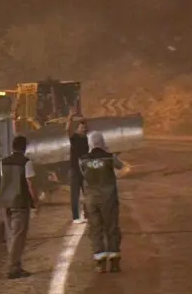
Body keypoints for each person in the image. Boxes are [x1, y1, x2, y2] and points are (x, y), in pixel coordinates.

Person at [80, 132, 127, 273]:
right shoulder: (110, 157)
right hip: (109, 198)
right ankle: (114, 262)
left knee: (95, 230)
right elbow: (123, 168)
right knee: (112, 228)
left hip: (91, 200)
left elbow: (82, 176)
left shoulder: (82, 160)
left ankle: (99, 262)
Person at [0, 135, 38, 280]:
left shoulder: (3, 162)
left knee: (10, 236)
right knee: (18, 236)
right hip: (19, 202)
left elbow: (2, 181)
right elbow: (30, 184)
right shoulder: (26, 162)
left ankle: (16, 264)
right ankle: (13, 267)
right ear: (24, 147)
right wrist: (35, 201)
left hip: (5, 202)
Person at [66, 111, 91, 223]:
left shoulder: (86, 138)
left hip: (85, 170)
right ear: (77, 128)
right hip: (75, 170)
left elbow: (88, 128)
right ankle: (75, 217)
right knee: (75, 195)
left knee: (87, 193)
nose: (84, 129)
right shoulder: (74, 137)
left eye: (84, 127)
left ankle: (87, 214)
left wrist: (85, 119)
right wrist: (70, 117)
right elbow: (67, 129)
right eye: (82, 127)